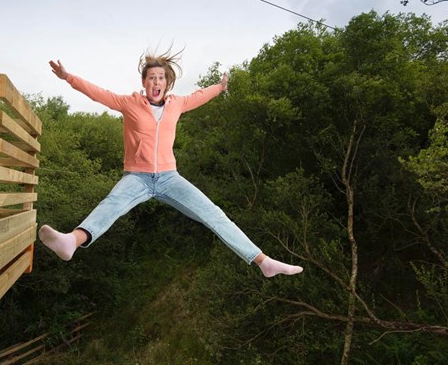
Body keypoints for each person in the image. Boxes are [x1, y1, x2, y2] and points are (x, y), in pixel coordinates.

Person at [40, 48, 303, 278]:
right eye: (152, 77)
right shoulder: (129, 103)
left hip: (169, 177)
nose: (157, 81)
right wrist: (68, 78)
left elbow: (200, 96)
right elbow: (98, 94)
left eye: (161, 77)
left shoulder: (176, 104)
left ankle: (263, 261)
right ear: (144, 82)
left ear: (167, 82)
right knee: (112, 203)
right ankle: (71, 242)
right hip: (137, 176)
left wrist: (220, 88)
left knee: (213, 213)